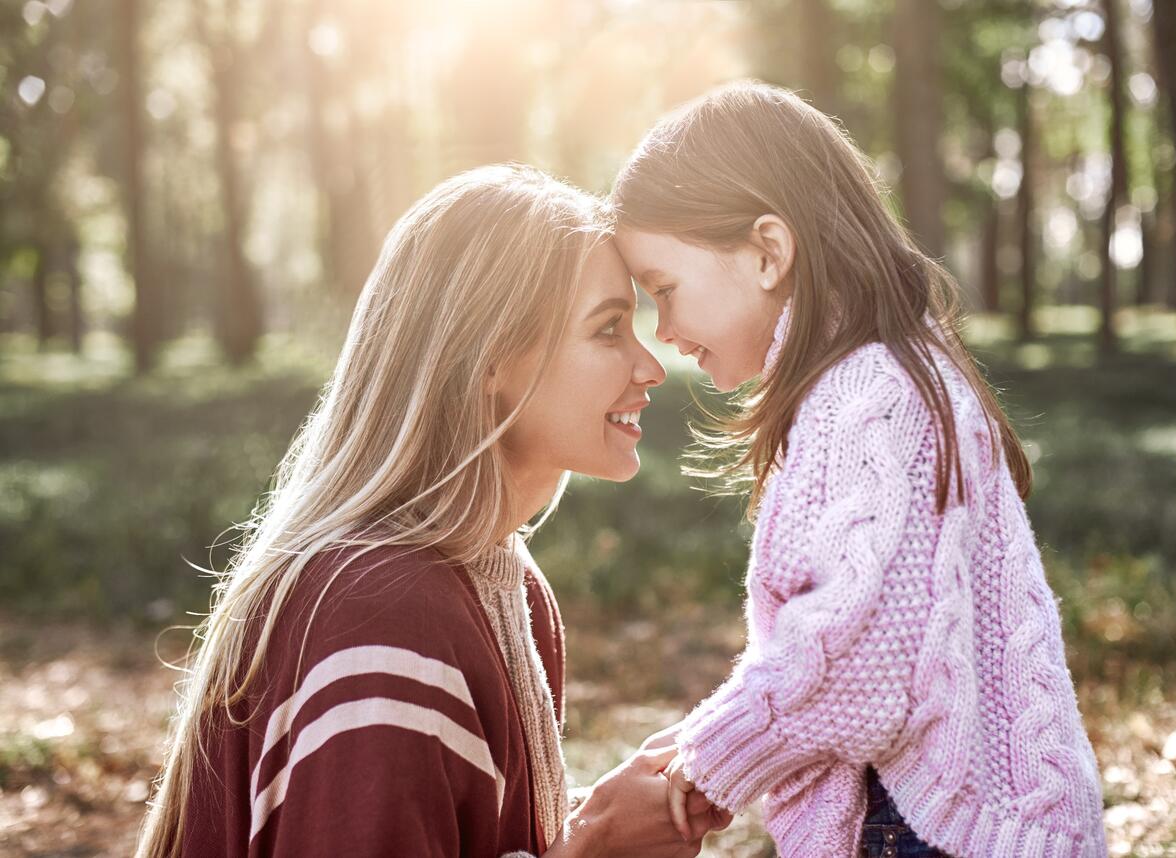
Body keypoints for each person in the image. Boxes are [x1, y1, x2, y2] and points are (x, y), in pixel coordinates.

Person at [135, 164, 722, 858]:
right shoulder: (383, 615)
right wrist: (589, 848)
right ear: (490, 362)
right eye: (607, 329)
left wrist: (601, 830)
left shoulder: (510, 588)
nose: (649, 366)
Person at [612, 81, 1108, 858]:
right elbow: (851, 624)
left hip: (939, 831)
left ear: (768, 252)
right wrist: (698, 739)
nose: (665, 330)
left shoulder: (870, 395)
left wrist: (703, 765)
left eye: (664, 292)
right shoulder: (887, 373)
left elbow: (857, 668)